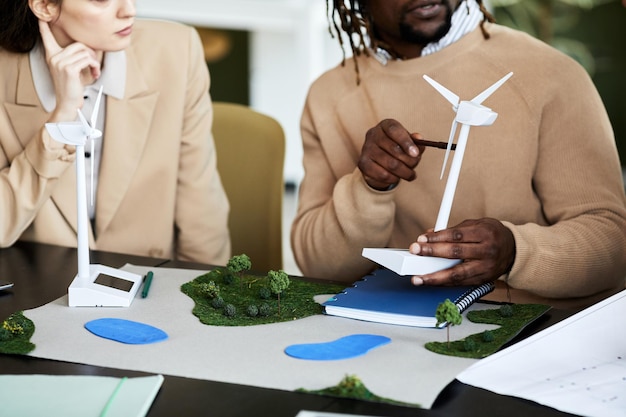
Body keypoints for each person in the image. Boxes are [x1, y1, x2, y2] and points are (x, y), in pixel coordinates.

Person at [291, 0, 626, 309]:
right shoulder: (329, 95)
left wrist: (516, 252)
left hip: (530, 331)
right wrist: (368, 188)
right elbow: (316, 266)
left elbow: (613, 245)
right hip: (390, 323)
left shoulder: (552, 75)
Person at [0, 0, 231, 265]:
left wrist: (199, 293)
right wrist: (63, 115)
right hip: (39, 284)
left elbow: (201, 212)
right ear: (44, 6)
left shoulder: (177, 51)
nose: (129, 10)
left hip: (149, 280)